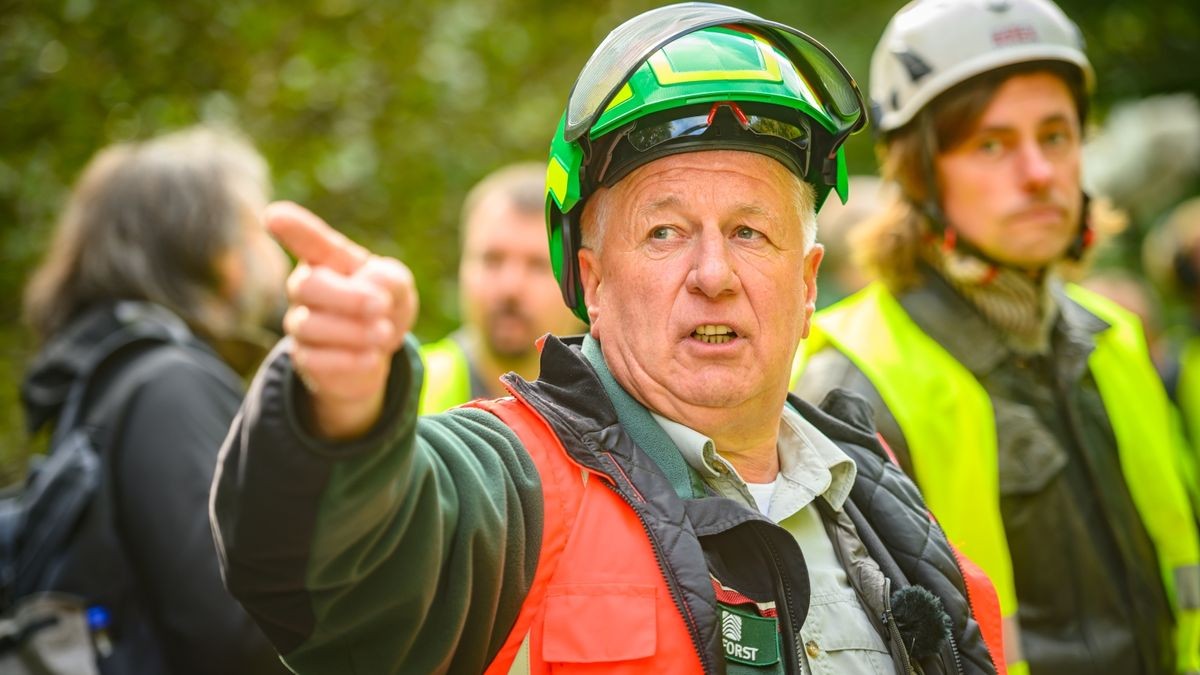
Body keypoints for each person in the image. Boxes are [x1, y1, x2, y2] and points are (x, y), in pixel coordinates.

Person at [211, 4, 1003, 674]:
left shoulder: (881, 502)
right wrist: (339, 412)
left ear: (806, 282)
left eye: (752, 232)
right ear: (593, 283)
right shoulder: (513, 488)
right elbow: (318, 570)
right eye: (664, 231)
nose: (714, 273)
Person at [793, 1, 1200, 673]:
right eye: (991, 143)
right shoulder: (850, 380)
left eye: (1057, 135)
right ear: (919, 174)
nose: (1039, 171)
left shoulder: (1115, 340)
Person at [20, 126, 291, 674]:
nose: (275, 254)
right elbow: (231, 634)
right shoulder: (171, 386)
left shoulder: (111, 378)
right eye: (257, 226)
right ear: (217, 252)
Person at [419, 163, 584, 413]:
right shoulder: (404, 390)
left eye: (538, 265)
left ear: (584, 277)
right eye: (492, 260)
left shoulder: (628, 404)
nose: (510, 287)